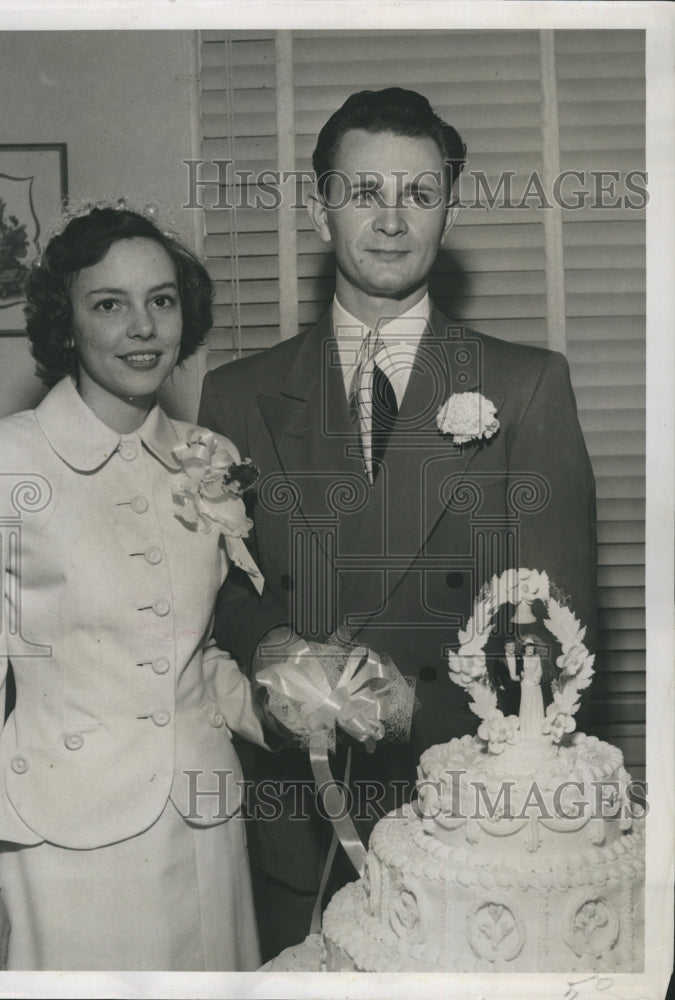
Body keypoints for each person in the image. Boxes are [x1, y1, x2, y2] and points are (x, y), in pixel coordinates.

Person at [197, 87, 597, 959]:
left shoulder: (525, 385)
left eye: (417, 194)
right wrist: (275, 648)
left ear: (449, 213)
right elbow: (217, 586)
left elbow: (555, 630)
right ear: (319, 210)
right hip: (299, 826)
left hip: (465, 825)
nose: (389, 220)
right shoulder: (236, 393)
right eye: (363, 193)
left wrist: (420, 704)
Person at [0, 206, 266, 971]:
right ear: (67, 322)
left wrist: (283, 711)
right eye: (109, 304)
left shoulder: (211, 456)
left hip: (204, 829)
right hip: (61, 844)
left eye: (161, 300)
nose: (142, 327)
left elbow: (194, 653)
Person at [518, 637, 546, 740]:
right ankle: (526, 731)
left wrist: (535, 681)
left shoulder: (537, 658)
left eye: (531, 648)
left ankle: (536, 730)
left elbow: (539, 671)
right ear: (525, 649)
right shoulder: (521, 658)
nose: (529, 650)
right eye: (527, 648)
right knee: (526, 706)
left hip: (535, 686)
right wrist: (523, 679)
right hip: (525, 685)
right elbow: (519, 670)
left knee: (535, 705)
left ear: (534, 649)